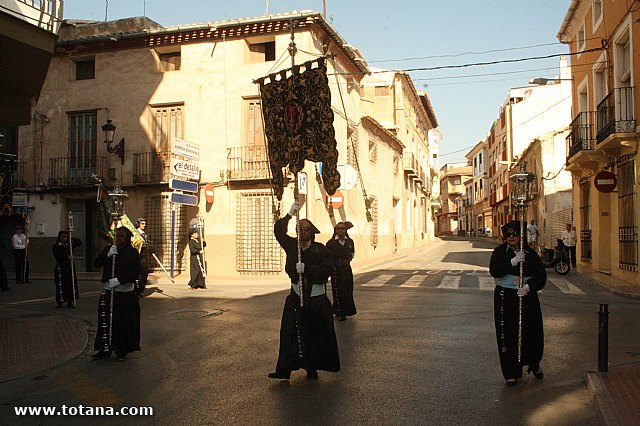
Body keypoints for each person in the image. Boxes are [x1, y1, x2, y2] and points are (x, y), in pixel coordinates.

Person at [268, 201, 340, 381]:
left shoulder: (321, 250)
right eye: (300, 229)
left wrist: (307, 268)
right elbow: (278, 231)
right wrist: (289, 215)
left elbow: (328, 270)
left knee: (313, 334)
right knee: (290, 333)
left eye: (306, 229)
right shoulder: (292, 246)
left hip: (316, 299)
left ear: (312, 232)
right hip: (296, 296)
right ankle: (284, 369)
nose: (303, 232)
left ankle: (312, 368)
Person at [489, 220, 546, 387]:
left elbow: (541, 276)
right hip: (505, 296)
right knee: (508, 332)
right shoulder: (500, 252)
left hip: (527, 296)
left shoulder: (530, 254)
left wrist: (529, 287)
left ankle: (534, 364)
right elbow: (495, 270)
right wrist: (512, 262)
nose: (512, 237)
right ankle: (511, 372)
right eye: (508, 234)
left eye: (515, 234)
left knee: (532, 330)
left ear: (521, 236)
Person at [92, 226, 141, 361]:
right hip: (108, 290)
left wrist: (120, 280)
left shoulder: (132, 253)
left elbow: (135, 272)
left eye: (121, 236)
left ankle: (121, 350)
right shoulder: (109, 249)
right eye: (116, 236)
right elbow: (97, 263)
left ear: (127, 238)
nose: (118, 238)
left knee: (121, 322)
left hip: (123, 293)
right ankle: (104, 348)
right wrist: (107, 256)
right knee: (105, 321)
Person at [326, 221, 357, 321]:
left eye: (342, 228)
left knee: (347, 289)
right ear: (335, 231)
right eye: (338, 229)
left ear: (345, 230)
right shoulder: (331, 243)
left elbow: (352, 253)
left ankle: (347, 310)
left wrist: (348, 260)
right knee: (338, 291)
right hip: (336, 270)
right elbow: (327, 256)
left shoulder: (349, 242)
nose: (340, 230)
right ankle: (339, 312)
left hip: (346, 269)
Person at [52, 230, 81, 308]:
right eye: (62, 237)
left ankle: (70, 301)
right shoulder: (56, 246)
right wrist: (66, 257)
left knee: (70, 284)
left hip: (69, 267)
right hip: (61, 267)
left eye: (65, 237)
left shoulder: (69, 245)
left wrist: (70, 235)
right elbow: (57, 256)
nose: (64, 238)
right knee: (61, 285)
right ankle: (60, 301)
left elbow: (79, 242)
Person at [135, 218, 155, 297]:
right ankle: (135, 290)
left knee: (144, 273)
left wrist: (150, 247)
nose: (144, 225)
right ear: (138, 224)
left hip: (143, 256)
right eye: (142, 223)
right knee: (136, 274)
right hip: (135, 256)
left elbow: (150, 243)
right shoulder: (135, 233)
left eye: (145, 223)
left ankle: (140, 290)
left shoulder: (145, 235)